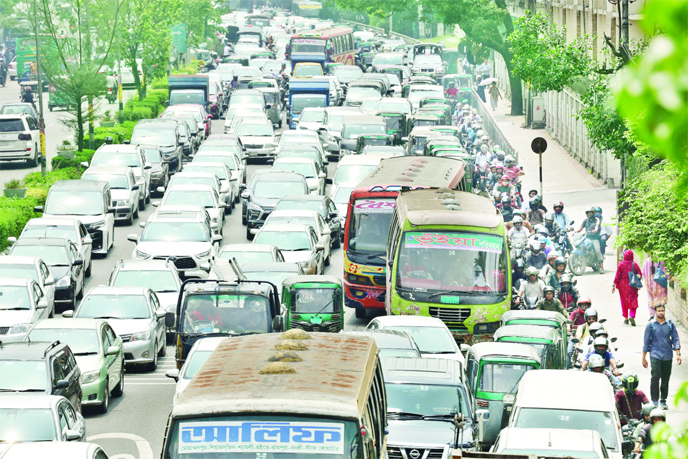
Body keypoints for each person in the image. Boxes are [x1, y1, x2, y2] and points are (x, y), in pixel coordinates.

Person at [642, 304, 681, 410]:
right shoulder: (650, 325)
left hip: (667, 355)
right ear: (655, 312)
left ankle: (663, 401)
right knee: (655, 377)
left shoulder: (670, 324)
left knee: (665, 379)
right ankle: (655, 401)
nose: (661, 312)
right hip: (655, 355)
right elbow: (646, 342)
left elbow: (675, 339)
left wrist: (678, 354)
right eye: (659, 311)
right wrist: (644, 358)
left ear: (665, 312)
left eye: (662, 310)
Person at [613, 249, 642, 325]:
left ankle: (626, 318)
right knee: (633, 300)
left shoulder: (621, 264)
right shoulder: (634, 264)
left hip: (622, 285)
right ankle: (632, 316)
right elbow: (640, 274)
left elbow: (617, 276)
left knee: (624, 301)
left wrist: (614, 284)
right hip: (632, 284)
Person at [576, 206, 604, 271]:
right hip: (587, 237)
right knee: (580, 246)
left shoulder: (597, 219)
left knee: (597, 250)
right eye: (588, 213)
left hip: (595, 238)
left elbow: (597, 226)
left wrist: (595, 230)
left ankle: (602, 267)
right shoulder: (585, 220)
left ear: (593, 213)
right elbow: (580, 228)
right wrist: (575, 232)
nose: (589, 214)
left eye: (591, 213)